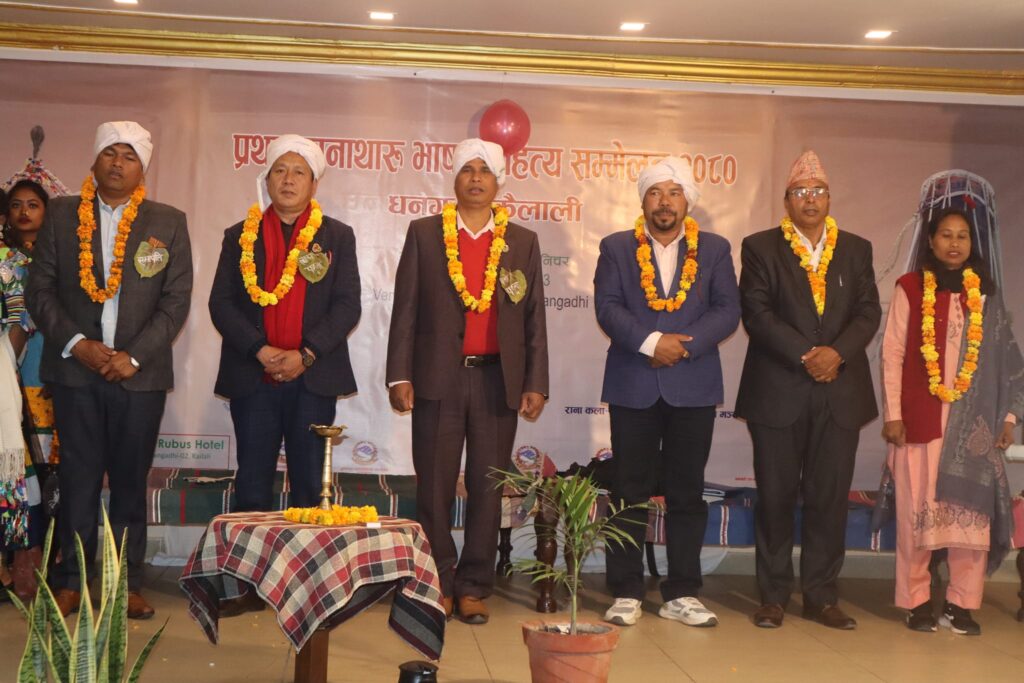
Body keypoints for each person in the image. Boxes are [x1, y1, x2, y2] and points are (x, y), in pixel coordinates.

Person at [26, 121, 193, 619]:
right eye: (110, 153)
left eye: (129, 156)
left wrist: (133, 356)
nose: (118, 163)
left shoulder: (168, 221)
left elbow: (175, 300)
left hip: (140, 376)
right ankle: (72, 582)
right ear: (94, 160)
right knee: (77, 479)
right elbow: (40, 290)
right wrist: (77, 344)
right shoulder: (61, 215)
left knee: (129, 481)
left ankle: (126, 584)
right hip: (75, 372)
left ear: (143, 168)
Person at [386, 138, 549, 624]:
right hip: (438, 378)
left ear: (499, 182)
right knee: (434, 485)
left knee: (488, 486)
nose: (476, 178)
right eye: (467, 170)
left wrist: (535, 381)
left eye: (485, 170)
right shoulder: (424, 233)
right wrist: (400, 374)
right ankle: (437, 579)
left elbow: (534, 316)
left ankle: (475, 584)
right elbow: (405, 309)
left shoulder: (522, 241)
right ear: (454, 179)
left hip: (498, 380)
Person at [735, 150, 881, 630]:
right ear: (786, 201)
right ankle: (773, 596)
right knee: (775, 497)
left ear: (830, 198)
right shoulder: (760, 247)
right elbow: (757, 313)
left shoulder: (856, 249)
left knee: (829, 498)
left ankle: (821, 596)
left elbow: (868, 312)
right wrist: (807, 354)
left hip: (840, 391)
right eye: (800, 192)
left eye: (818, 191)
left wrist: (835, 354)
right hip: (778, 390)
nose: (810, 200)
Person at [594, 157, 740, 628]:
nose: (664, 202)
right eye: (655, 192)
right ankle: (626, 590)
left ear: (687, 201)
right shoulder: (616, 247)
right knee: (628, 490)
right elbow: (607, 307)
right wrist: (652, 343)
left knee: (686, 492)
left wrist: (682, 346)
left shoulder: (714, 249)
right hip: (634, 381)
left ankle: (683, 592)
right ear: (643, 200)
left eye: (674, 193)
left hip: (692, 384)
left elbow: (727, 310)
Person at [880, 206, 1023, 636]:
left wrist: (1008, 417)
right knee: (916, 517)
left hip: (973, 429)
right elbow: (893, 353)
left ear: (972, 244)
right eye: (946, 234)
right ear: (931, 240)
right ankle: (916, 602)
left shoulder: (986, 296)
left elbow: (1008, 362)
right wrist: (894, 415)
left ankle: (962, 604)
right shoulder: (910, 287)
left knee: (970, 521)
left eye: (962, 236)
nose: (955, 243)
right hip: (920, 424)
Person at [209, 134, 361, 517]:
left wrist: (305, 355)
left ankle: (307, 559)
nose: (288, 180)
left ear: (314, 184)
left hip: (313, 380)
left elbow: (347, 306)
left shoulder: (337, 237)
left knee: (310, 489)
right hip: (253, 377)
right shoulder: (238, 237)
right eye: (280, 170)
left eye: (299, 172)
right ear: (267, 179)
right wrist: (260, 350)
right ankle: (250, 558)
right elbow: (221, 304)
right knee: (252, 486)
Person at [0, 179, 52, 603]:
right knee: (14, 470)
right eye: (16, 205)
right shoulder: (6, 259)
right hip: (11, 375)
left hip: (41, 375)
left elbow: (23, 322)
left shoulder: (55, 258)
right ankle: (17, 560)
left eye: (32, 205)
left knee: (43, 472)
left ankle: (44, 558)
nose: (23, 212)